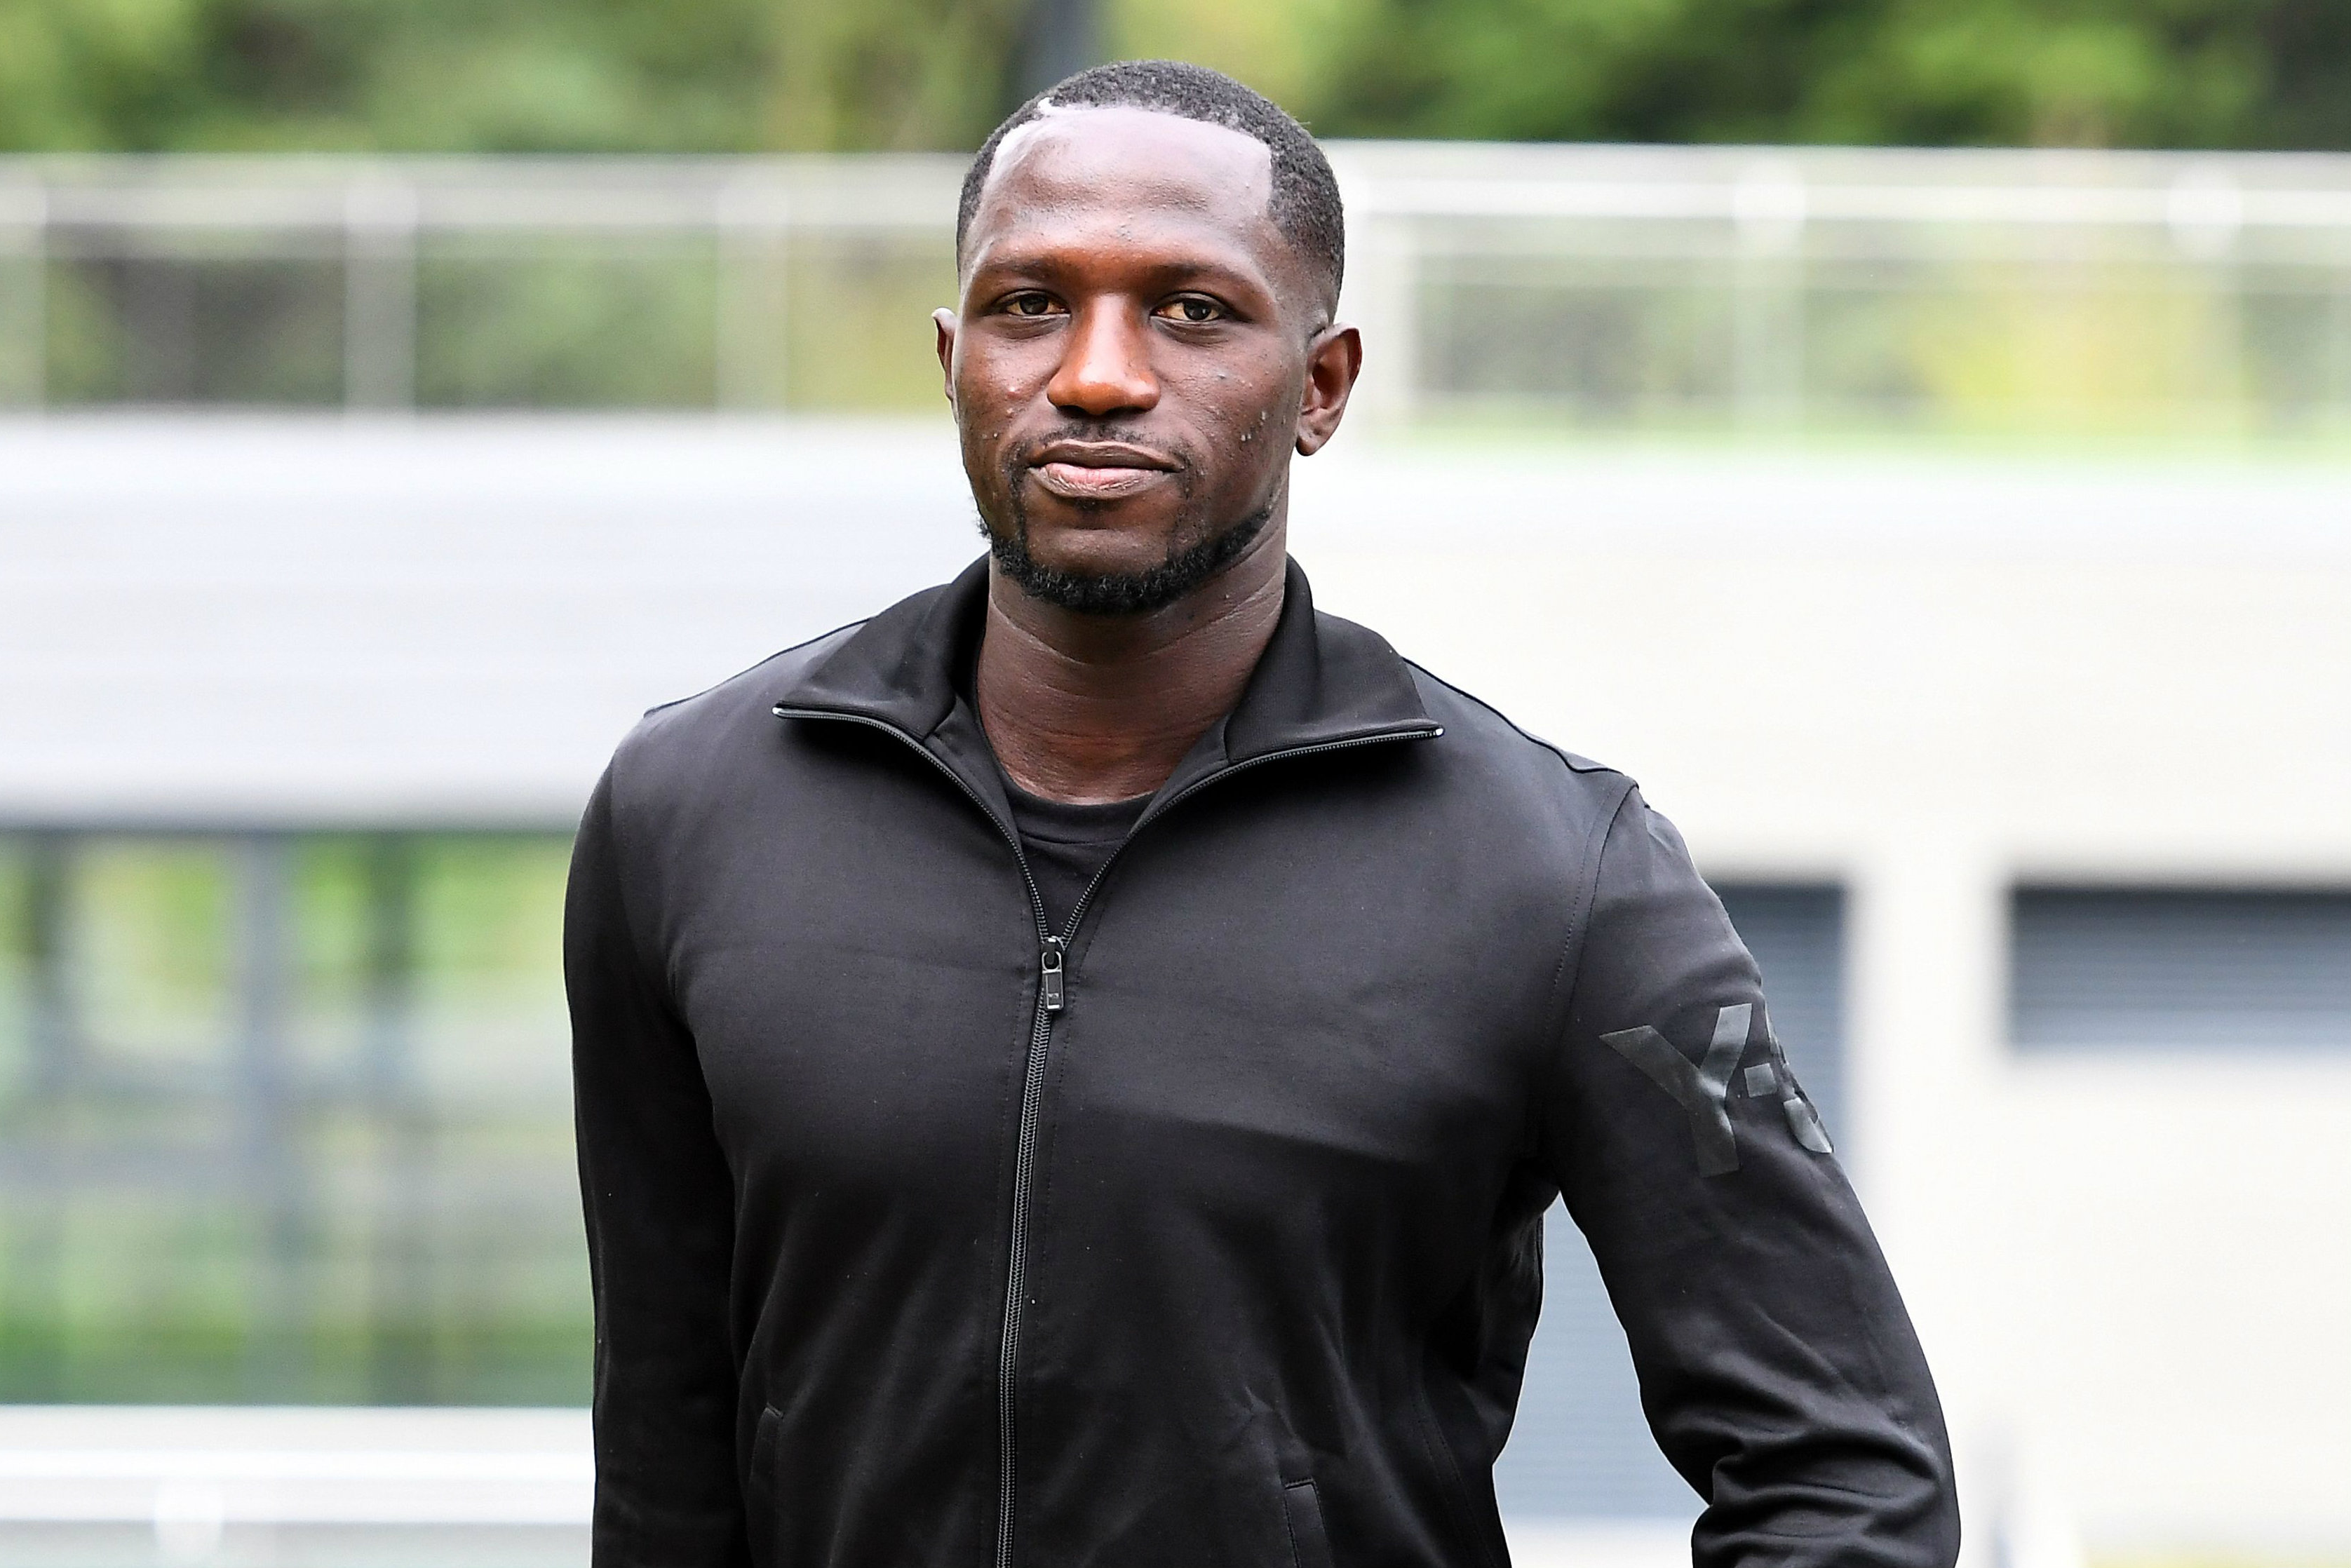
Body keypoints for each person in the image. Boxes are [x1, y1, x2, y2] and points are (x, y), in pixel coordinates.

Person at [567, 59, 1957, 1568]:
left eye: (1191, 309)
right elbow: (664, 1452)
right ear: (954, 356)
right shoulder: (692, 808)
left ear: (1321, 384)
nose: (1096, 372)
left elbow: (1849, 1483)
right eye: (1032, 304)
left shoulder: (1561, 876)